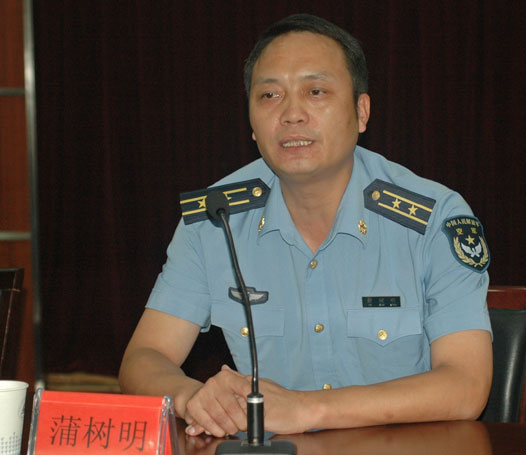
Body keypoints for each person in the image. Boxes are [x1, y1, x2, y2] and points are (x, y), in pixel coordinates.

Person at [119, 13, 493, 438]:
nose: (292, 114)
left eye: (316, 92)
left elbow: (467, 386)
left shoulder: (432, 217)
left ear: (361, 111)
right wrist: (194, 399)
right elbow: (143, 357)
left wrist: (307, 409)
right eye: (269, 95)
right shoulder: (215, 219)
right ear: (251, 123)